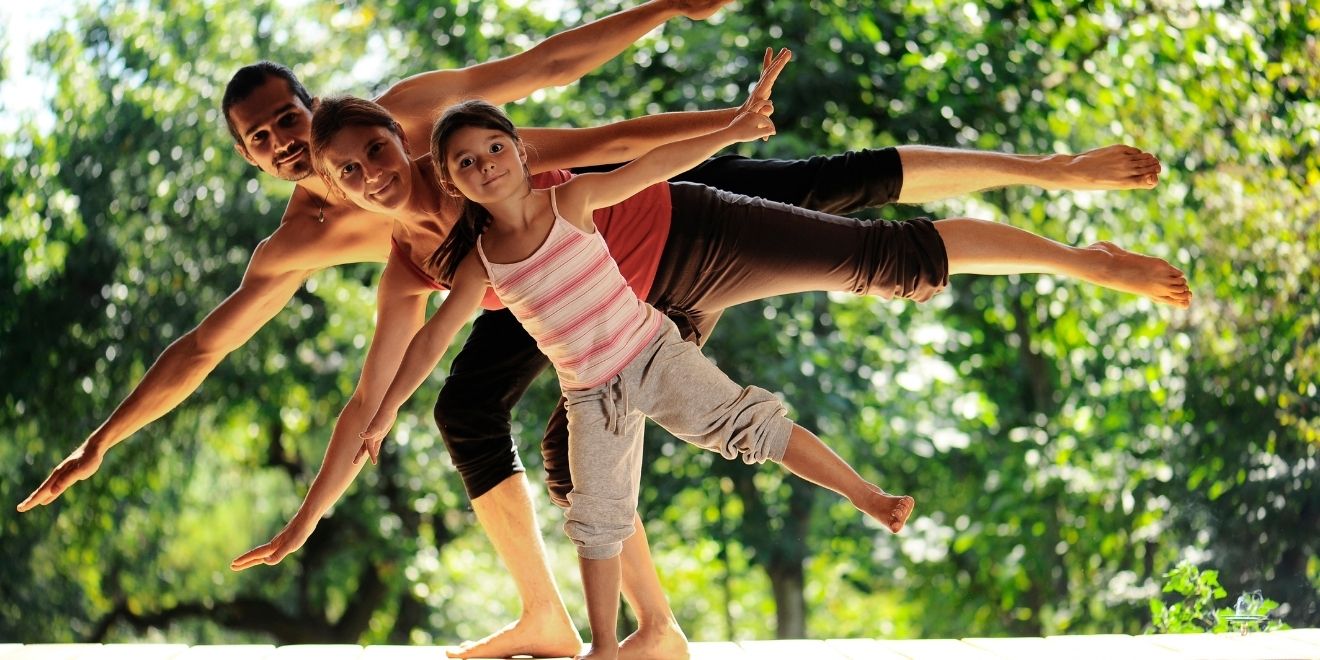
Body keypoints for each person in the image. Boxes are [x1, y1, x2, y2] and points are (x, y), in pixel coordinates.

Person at [227, 59, 1189, 658]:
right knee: (573, 458)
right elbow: (378, 395)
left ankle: (1073, 241)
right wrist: (310, 511)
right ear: (336, 187)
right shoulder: (430, 262)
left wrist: (725, 123)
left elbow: (618, 143)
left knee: (870, 238)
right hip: (640, 317)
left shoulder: (489, 158)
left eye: (378, 153)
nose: (372, 176)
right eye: (348, 173)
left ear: (406, 140)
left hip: (687, 232)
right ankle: (651, 633)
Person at [355, 96, 916, 658]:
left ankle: (868, 496)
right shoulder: (480, 261)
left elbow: (655, 164)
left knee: (752, 427)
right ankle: (603, 647)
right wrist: (383, 412)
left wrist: (735, 127)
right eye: (466, 163)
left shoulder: (571, 198)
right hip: (590, 396)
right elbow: (431, 338)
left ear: (522, 153)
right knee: (596, 518)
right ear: (452, 183)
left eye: (494, 148)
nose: (485, 165)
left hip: (653, 353)